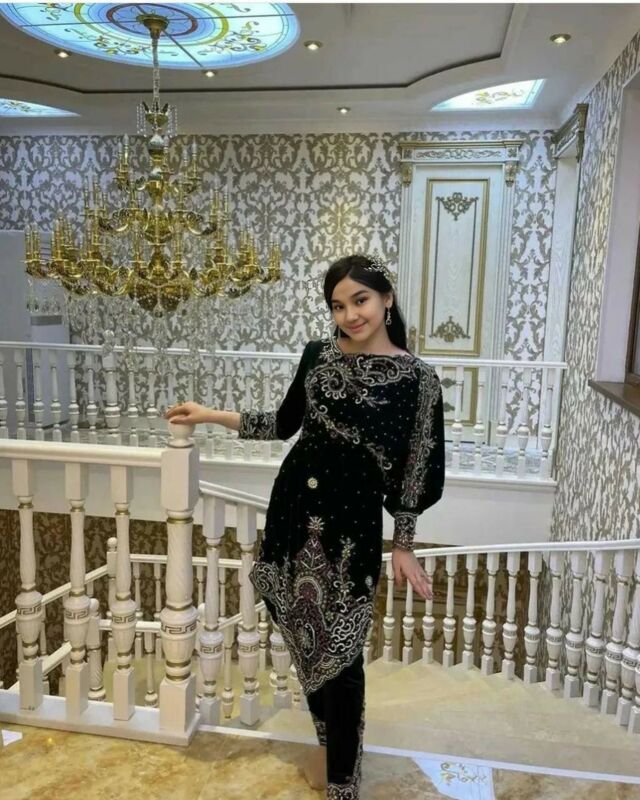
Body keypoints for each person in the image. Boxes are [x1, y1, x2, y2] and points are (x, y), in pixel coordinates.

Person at [165, 253, 445, 799]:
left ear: (386, 299)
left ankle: (343, 780)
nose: (350, 315)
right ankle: (327, 740)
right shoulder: (317, 355)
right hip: (294, 510)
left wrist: (404, 543)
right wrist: (210, 415)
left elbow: (418, 465)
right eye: (338, 306)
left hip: (351, 527)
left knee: (343, 651)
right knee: (301, 629)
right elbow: (282, 423)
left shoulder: (419, 379)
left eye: (360, 300)